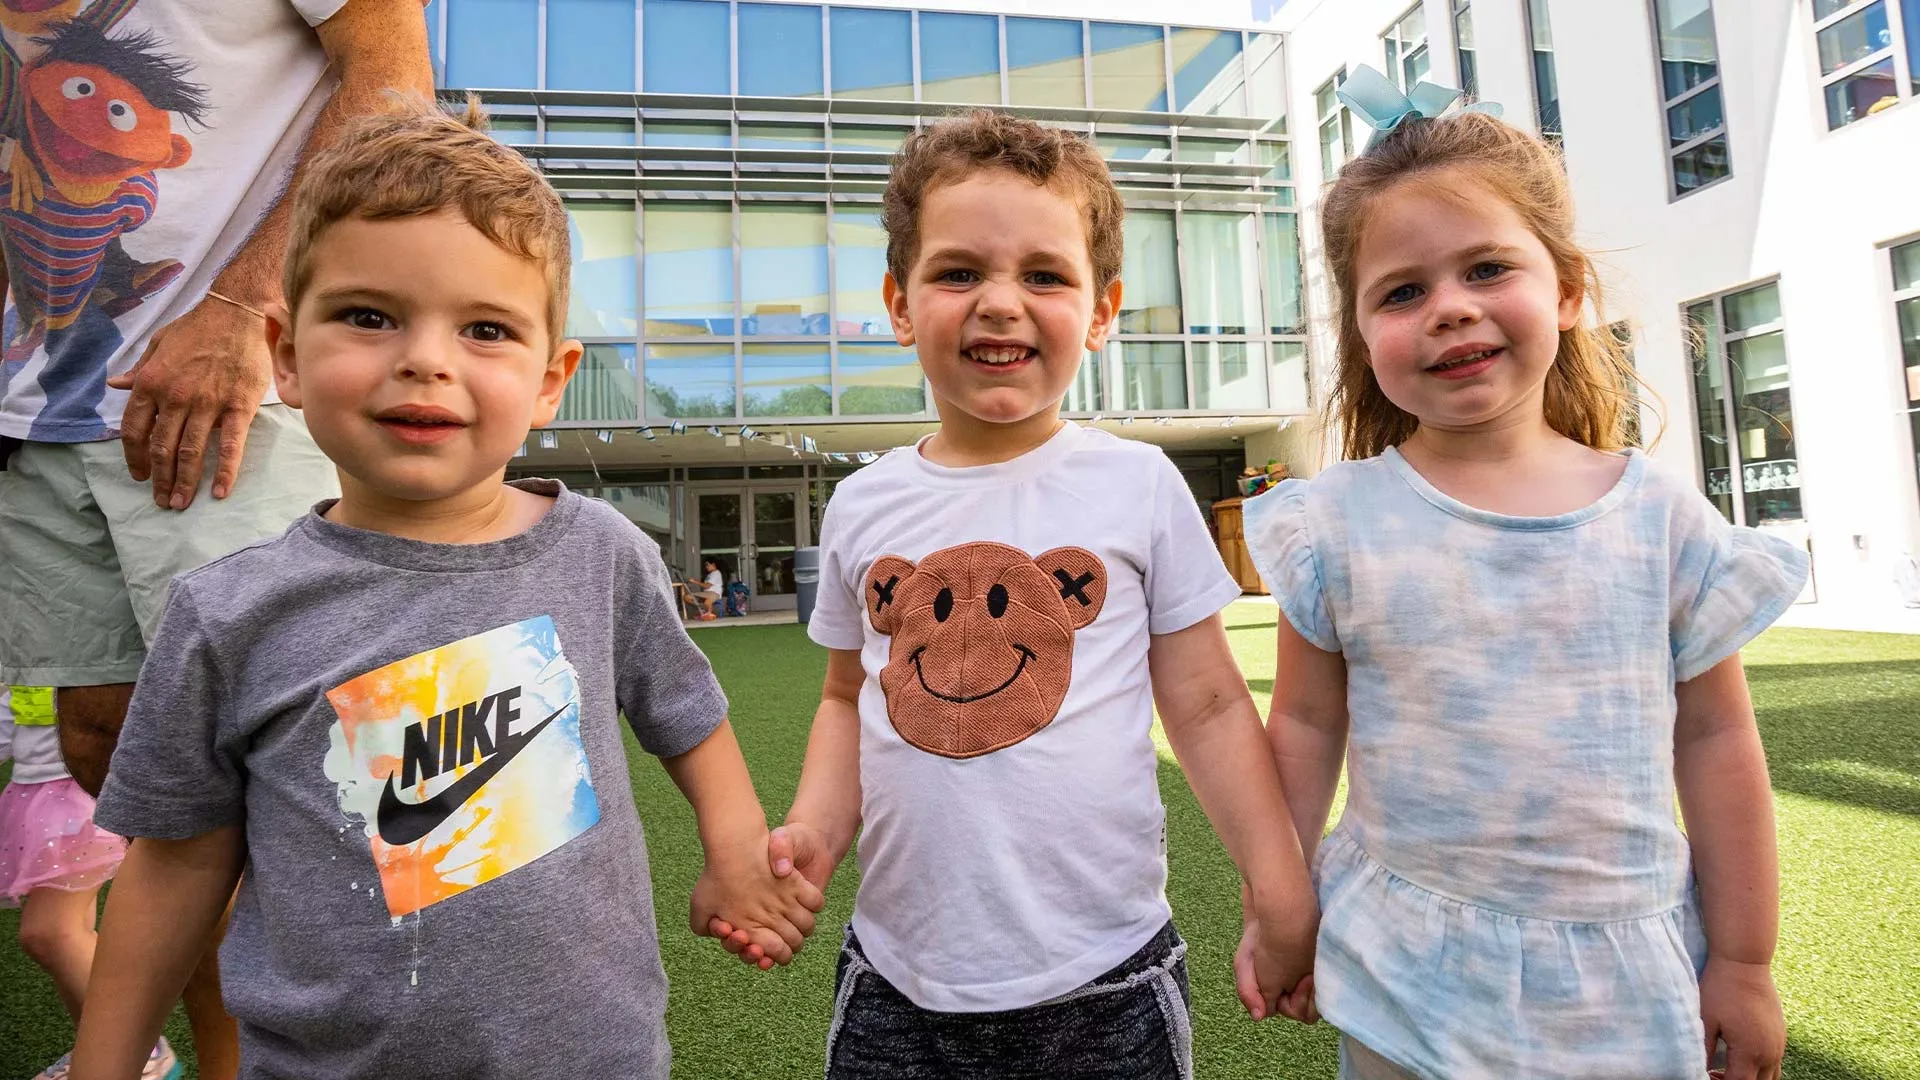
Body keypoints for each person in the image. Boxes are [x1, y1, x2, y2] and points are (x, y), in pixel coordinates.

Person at [69, 102, 823, 1080]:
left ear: (551, 381)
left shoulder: (599, 553)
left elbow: (688, 716)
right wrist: (107, 1063)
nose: (426, 358)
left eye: (485, 329)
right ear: (286, 355)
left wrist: (734, 850)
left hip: (594, 1059)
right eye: (369, 316)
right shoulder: (228, 614)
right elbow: (174, 865)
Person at [711, 110, 1320, 1078]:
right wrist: (818, 833)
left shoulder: (1138, 486)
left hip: (1106, 977)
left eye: (1045, 275)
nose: (1001, 303)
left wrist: (1277, 882)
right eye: (959, 273)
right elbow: (844, 694)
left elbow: (1205, 705)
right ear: (900, 304)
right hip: (896, 980)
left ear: (1103, 307)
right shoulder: (865, 504)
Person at [1243, 72, 1805, 1080]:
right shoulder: (1334, 524)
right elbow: (1306, 725)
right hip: (1400, 963)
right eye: (1404, 292)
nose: (1450, 309)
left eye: (1488, 269)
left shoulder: (1659, 517)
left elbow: (1717, 738)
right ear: (1364, 338)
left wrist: (1746, 958)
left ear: (1569, 290)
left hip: (1624, 976)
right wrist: (1277, 906)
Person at [0, 5, 434, 1076]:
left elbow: (396, 74)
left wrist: (245, 309)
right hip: (37, 414)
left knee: (355, 788)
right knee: (134, 776)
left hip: (232, 382)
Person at [1, 684, 178, 1080]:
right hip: (39, 796)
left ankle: (142, 1050)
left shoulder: (74, 641)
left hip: (75, 794)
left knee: (49, 933)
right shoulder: (22, 648)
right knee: (67, 932)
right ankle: (102, 1050)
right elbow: (8, 715)